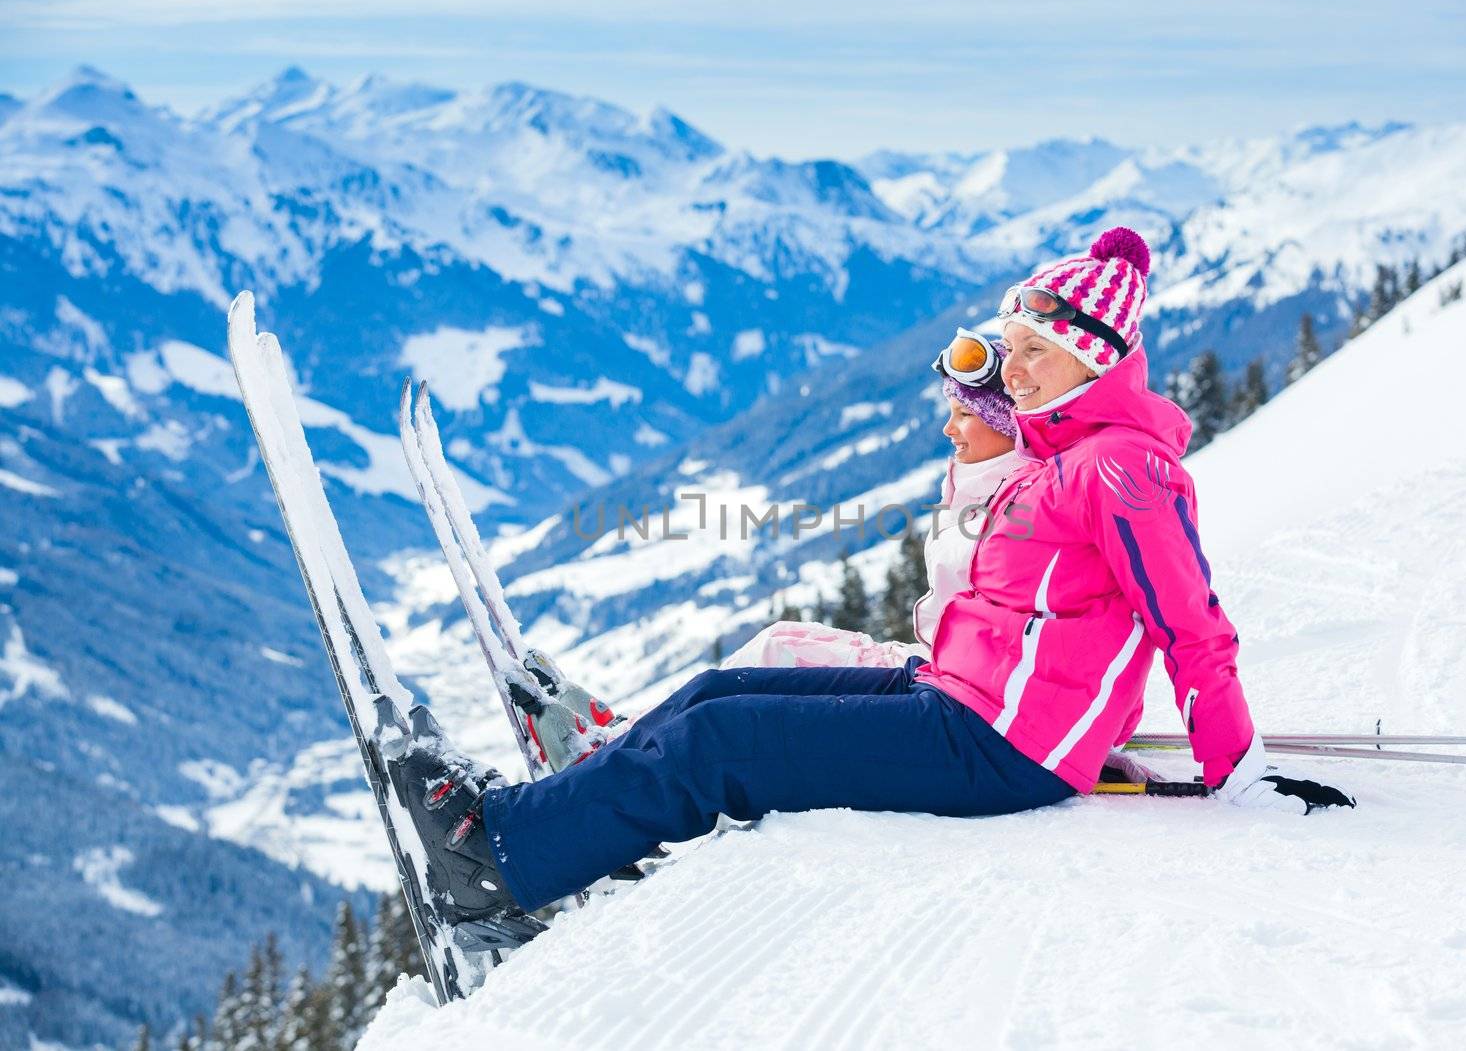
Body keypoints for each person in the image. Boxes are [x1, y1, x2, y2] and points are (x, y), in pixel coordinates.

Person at [390, 226, 1355, 943]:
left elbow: (1192, 627)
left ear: (1094, 358)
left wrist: (1241, 771)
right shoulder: (1060, 455)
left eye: (1035, 353)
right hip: (953, 699)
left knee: (722, 744)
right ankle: (559, 815)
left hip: (996, 747)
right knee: (718, 692)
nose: (1012, 373)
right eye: (1009, 347)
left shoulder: (1119, 468)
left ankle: (499, 860)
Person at [722, 328, 1022, 669]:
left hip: (952, 681)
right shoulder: (977, 487)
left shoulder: (1016, 504)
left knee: (772, 662)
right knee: (777, 642)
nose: (947, 428)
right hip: (939, 665)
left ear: (1006, 423)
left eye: (965, 414)